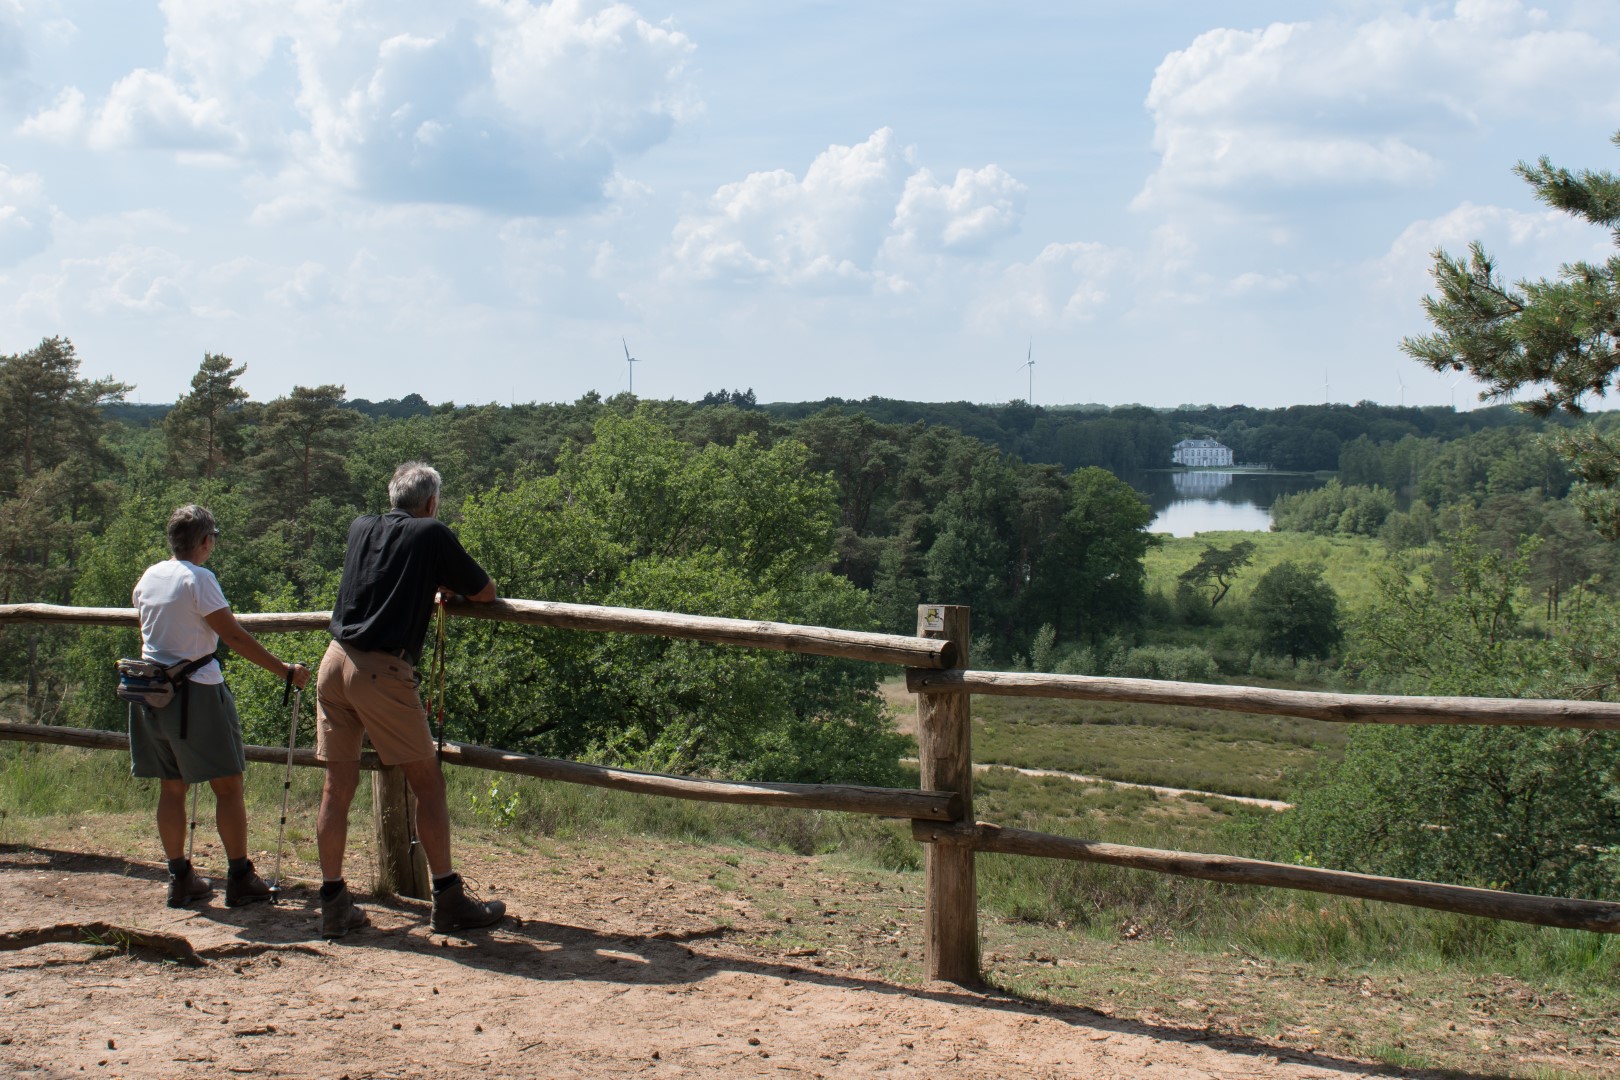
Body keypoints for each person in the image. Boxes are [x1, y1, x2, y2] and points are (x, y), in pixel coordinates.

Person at [314, 462, 504, 938]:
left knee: (337, 788)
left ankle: (334, 902)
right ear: (431, 502)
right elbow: (484, 591)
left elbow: (381, 579)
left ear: (392, 495)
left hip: (334, 661)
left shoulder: (362, 527)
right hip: (381, 671)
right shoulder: (431, 533)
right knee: (428, 783)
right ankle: (447, 897)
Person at [131, 504, 311, 909]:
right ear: (206, 541)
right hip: (197, 692)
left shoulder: (150, 576)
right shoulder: (200, 579)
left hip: (152, 691)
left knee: (171, 787)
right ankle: (240, 876)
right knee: (228, 785)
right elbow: (234, 637)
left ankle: (180, 877)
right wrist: (283, 671)